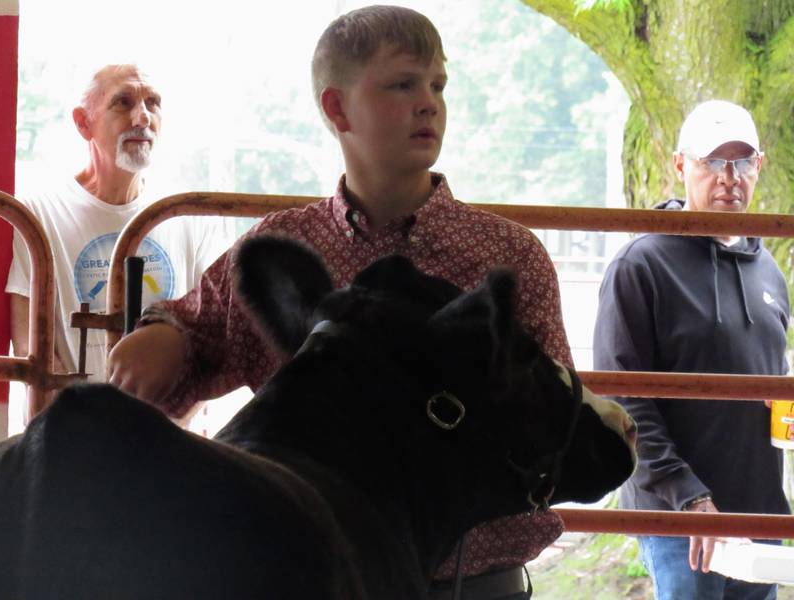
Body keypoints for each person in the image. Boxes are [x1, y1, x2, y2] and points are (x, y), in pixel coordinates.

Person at [109, 6, 574, 598]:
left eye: (437, 85)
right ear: (336, 108)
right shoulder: (280, 247)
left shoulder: (508, 258)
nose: (429, 102)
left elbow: (552, 425)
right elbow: (197, 333)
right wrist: (164, 333)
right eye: (403, 83)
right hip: (313, 572)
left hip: (471, 583)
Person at [593, 100, 790, 600]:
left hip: (760, 515)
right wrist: (690, 499)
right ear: (681, 166)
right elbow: (624, 401)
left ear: (759, 166)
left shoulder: (769, 269)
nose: (729, 177)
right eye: (712, 162)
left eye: (742, 161)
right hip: (681, 520)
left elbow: (774, 379)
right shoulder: (641, 266)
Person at [6, 64, 229, 389]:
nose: (142, 118)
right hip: (73, 429)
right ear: (84, 123)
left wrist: (172, 425)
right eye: (123, 102)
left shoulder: (187, 214)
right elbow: (31, 347)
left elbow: (212, 336)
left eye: (153, 103)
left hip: (167, 432)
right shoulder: (39, 214)